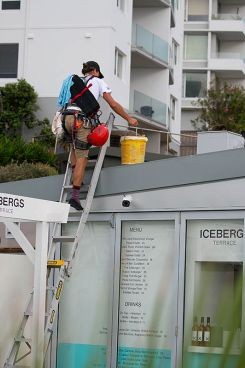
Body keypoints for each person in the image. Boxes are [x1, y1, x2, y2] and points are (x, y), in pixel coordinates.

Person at [65, 60, 138, 211]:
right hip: (81, 120)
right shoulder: (98, 81)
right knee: (82, 158)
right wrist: (128, 118)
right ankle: (75, 197)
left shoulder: (75, 82)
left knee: (74, 147)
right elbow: (113, 104)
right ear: (96, 71)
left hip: (66, 118)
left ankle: (74, 177)